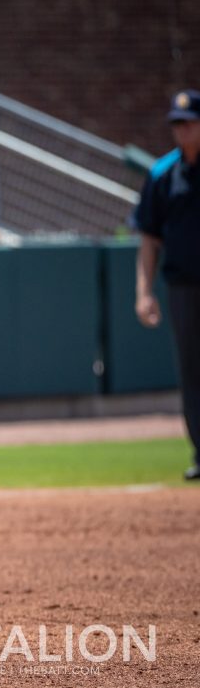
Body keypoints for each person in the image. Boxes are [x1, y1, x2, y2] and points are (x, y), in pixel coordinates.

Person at [134, 88, 200, 481]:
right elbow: (148, 238)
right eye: (177, 125)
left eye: (190, 123)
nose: (183, 131)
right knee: (191, 372)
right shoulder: (162, 174)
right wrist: (143, 292)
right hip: (182, 287)